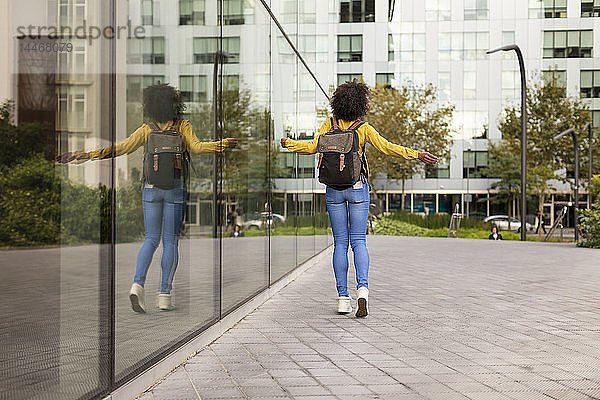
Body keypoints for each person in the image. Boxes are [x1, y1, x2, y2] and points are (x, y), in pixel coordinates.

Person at [58, 83, 237, 313]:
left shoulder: (147, 129)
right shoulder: (182, 126)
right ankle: (164, 294)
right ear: (175, 104)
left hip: (151, 189)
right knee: (170, 241)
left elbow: (120, 148)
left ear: (150, 106)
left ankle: (137, 284)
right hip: (175, 188)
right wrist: (223, 144)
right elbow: (198, 148)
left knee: (151, 239)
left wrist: (87, 155)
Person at [281, 80, 438, 317]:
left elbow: (312, 147)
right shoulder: (363, 128)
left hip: (333, 189)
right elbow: (387, 147)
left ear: (338, 102)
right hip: (357, 187)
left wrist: (289, 144)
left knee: (340, 244)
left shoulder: (329, 124)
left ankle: (343, 298)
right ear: (361, 104)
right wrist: (416, 154)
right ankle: (362, 290)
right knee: (359, 242)